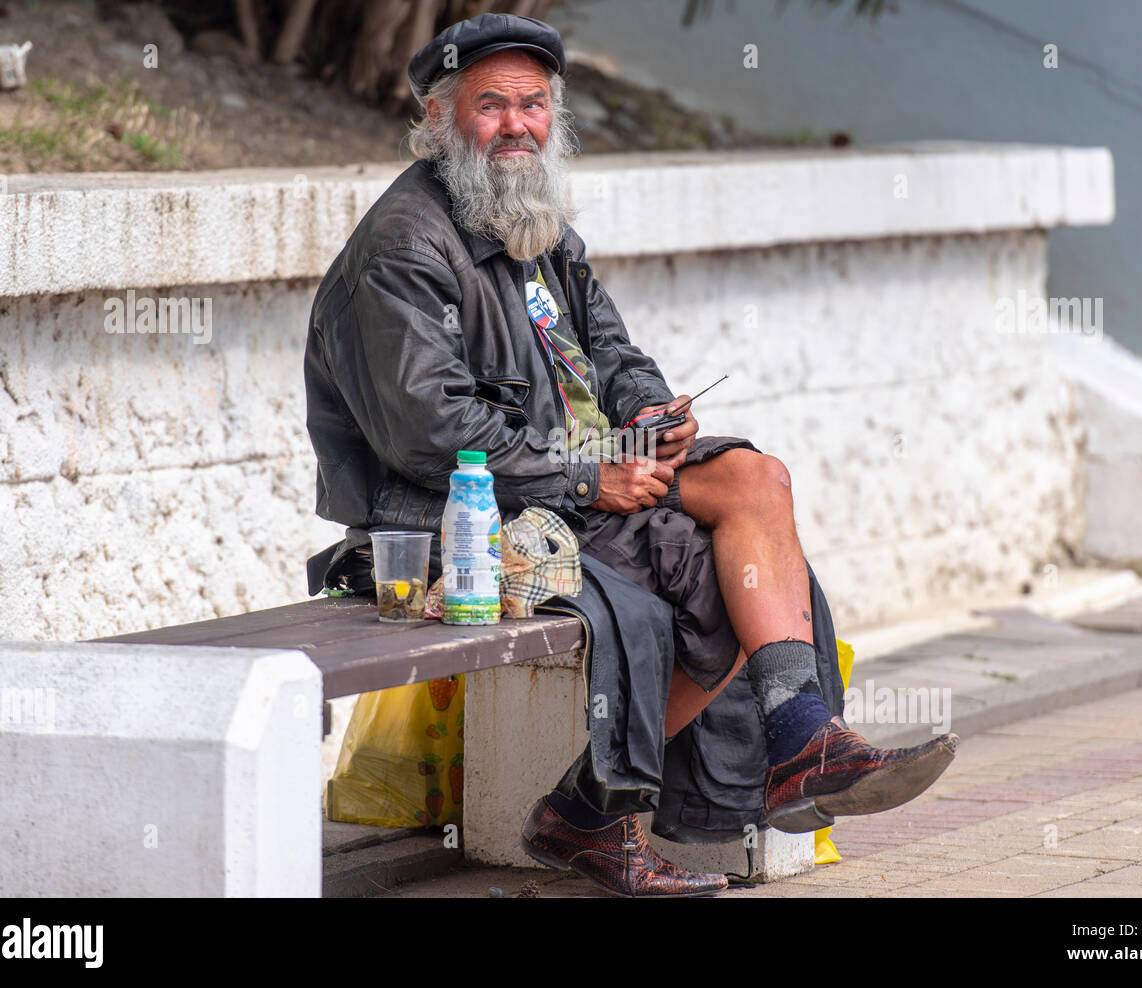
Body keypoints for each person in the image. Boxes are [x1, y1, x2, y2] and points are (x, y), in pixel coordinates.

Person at [304, 12, 959, 898]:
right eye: (489, 105)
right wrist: (587, 474)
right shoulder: (404, 246)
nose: (515, 125)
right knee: (711, 573)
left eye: (532, 105)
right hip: (452, 512)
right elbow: (429, 433)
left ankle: (801, 738)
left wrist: (649, 409)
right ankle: (595, 810)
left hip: (574, 474)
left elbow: (612, 353)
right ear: (436, 116)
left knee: (757, 483)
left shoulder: (536, 228)